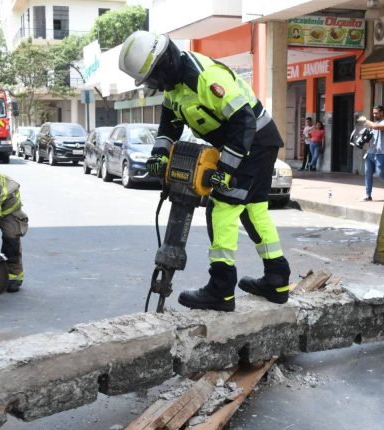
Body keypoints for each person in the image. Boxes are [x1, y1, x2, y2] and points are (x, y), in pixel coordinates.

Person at [119, 31, 292, 312]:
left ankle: (221, 290)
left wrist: (225, 170)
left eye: (152, 78)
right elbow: (170, 125)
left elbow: (244, 121)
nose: (154, 85)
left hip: (253, 141)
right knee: (254, 210)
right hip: (255, 143)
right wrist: (160, 155)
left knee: (221, 207)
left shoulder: (205, 78)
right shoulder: (174, 88)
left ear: (164, 64)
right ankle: (277, 280)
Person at [357, 105, 384, 201]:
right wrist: (363, 139)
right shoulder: (373, 123)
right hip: (371, 152)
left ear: (382, 112)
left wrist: (365, 120)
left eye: (376, 113)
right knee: (368, 173)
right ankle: (368, 195)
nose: (374, 115)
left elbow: (376, 127)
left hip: (381, 152)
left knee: (380, 173)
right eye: (373, 113)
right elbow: (371, 137)